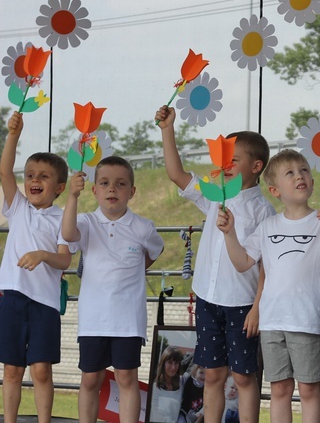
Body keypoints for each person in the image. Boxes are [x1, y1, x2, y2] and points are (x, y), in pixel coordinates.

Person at [156, 105, 275, 423]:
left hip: (242, 306)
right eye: (224, 158)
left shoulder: (263, 210)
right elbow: (176, 174)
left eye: (235, 159)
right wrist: (168, 129)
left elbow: (267, 266)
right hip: (209, 302)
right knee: (212, 374)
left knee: (245, 377)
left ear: (257, 166)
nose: (227, 164)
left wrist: (258, 308)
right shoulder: (212, 193)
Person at [217, 148, 320, 423]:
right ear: (274, 190)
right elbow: (243, 262)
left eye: (304, 171)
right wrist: (230, 234)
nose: (300, 176)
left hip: (307, 320)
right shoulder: (268, 225)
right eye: (290, 173)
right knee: (279, 389)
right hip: (272, 321)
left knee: (309, 389)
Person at [61, 156, 164, 423]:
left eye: (120, 184)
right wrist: (72, 196)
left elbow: (156, 249)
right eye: (104, 183)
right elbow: (68, 234)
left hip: (128, 319)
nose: (112, 189)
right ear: (94, 190)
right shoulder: (85, 222)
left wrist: (133, 269)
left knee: (126, 377)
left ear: (131, 191)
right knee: (91, 377)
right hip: (93, 318)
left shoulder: (143, 226)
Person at [0, 111, 71, 423]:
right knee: (12, 370)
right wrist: (13, 135)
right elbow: (4, 172)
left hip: (44, 303)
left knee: (41, 370)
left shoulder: (64, 216)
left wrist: (43, 255)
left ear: (59, 187)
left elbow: (65, 259)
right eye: (29, 175)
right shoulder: (17, 207)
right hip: (12, 298)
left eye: (43, 176)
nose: (34, 181)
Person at [151, 345, 185, 422]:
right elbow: (156, 416)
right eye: (169, 362)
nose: (173, 367)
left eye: (176, 363)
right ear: (163, 364)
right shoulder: (155, 388)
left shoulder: (182, 382)